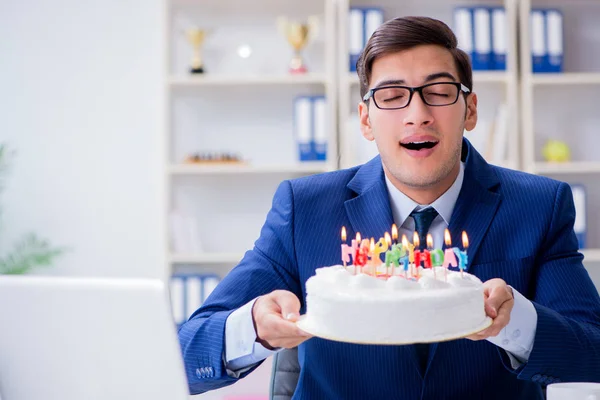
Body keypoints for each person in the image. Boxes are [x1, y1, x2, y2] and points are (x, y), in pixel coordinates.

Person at [178, 16, 600, 399]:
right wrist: (253, 327)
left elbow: (592, 350)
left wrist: (515, 322)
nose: (417, 115)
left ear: (470, 110)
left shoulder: (539, 206)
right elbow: (187, 350)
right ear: (365, 119)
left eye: (438, 92)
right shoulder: (304, 209)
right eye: (393, 96)